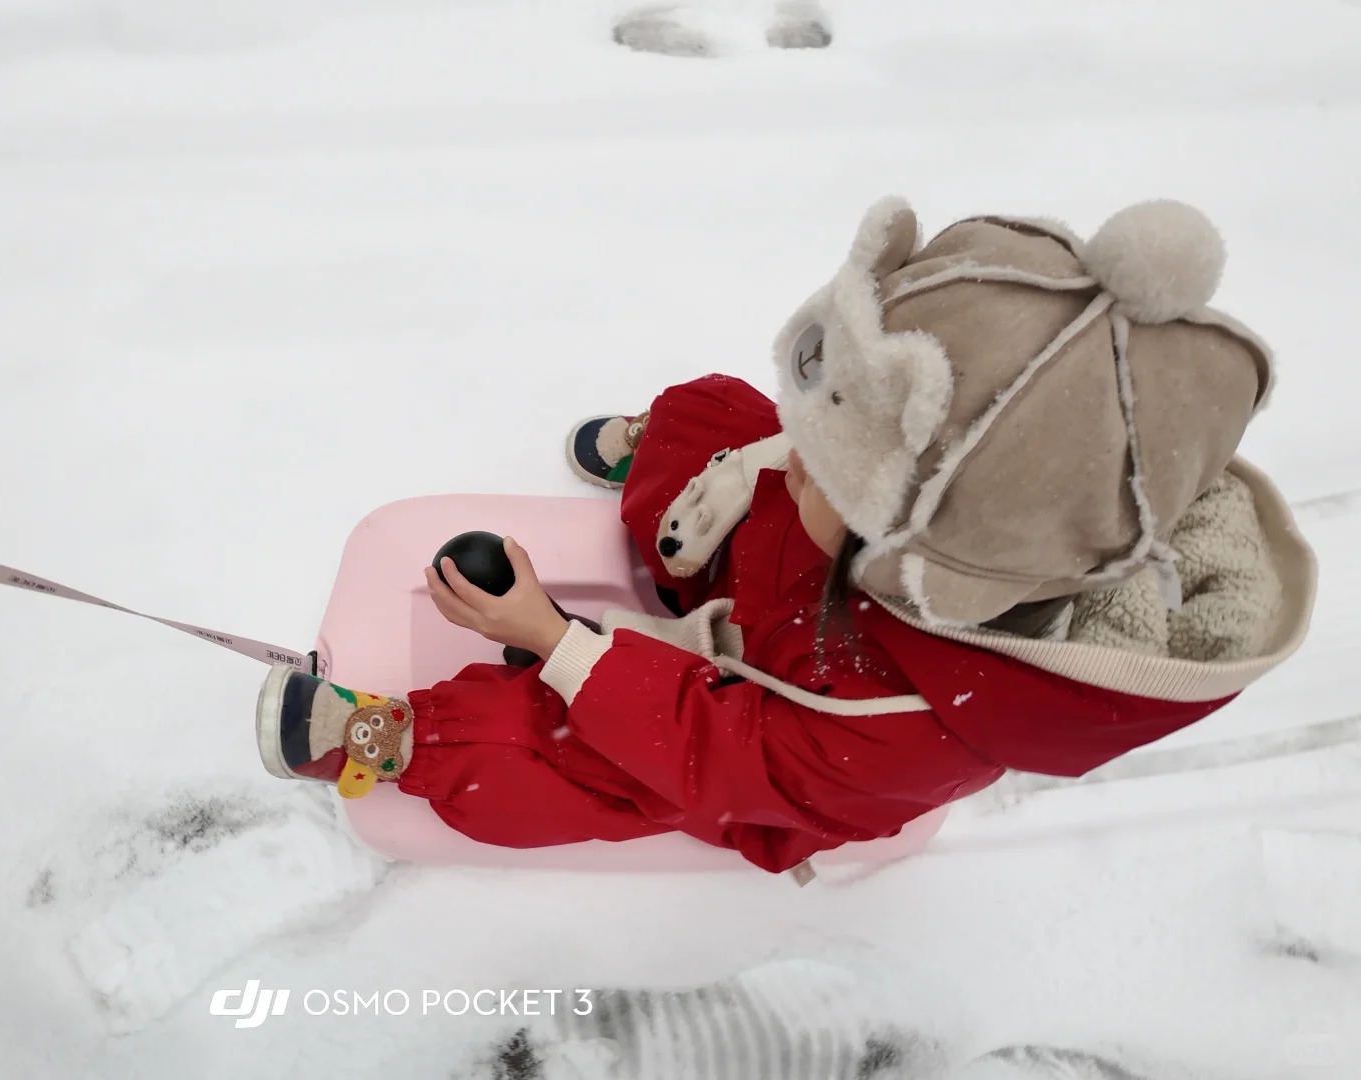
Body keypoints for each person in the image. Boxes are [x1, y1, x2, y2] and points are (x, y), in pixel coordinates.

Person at [253, 196, 1318, 874]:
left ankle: (399, 741)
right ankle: (684, 480)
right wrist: (784, 469)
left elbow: (722, 754)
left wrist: (558, 639)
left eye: (831, 460)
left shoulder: (903, 732)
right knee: (720, 418)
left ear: (928, 549)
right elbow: (800, 456)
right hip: (792, 580)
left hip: (760, 734)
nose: (799, 449)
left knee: (555, 763)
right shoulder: (947, 507)